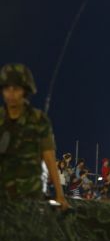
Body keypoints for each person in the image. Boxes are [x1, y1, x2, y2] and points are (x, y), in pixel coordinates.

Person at [0, 64, 68, 209]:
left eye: (16, 89)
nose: (11, 94)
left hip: (30, 196)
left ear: (25, 91)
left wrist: (60, 195)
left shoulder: (38, 120)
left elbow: (49, 157)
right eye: (7, 89)